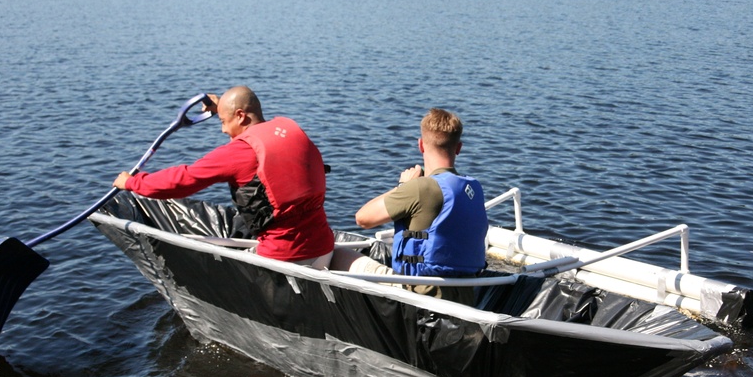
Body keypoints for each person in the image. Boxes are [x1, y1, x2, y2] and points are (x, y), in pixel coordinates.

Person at [113, 86, 334, 269]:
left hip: (286, 258)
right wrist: (221, 106)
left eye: (223, 122)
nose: (222, 130)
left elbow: (183, 180)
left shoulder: (241, 152)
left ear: (240, 116)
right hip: (324, 248)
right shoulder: (288, 131)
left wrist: (132, 182)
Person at [346, 107, 488, 305]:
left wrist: (403, 186)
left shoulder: (420, 188)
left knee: (340, 255)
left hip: (419, 293)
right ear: (459, 148)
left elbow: (363, 219)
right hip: (463, 293)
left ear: (421, 145)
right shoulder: (473, 189)